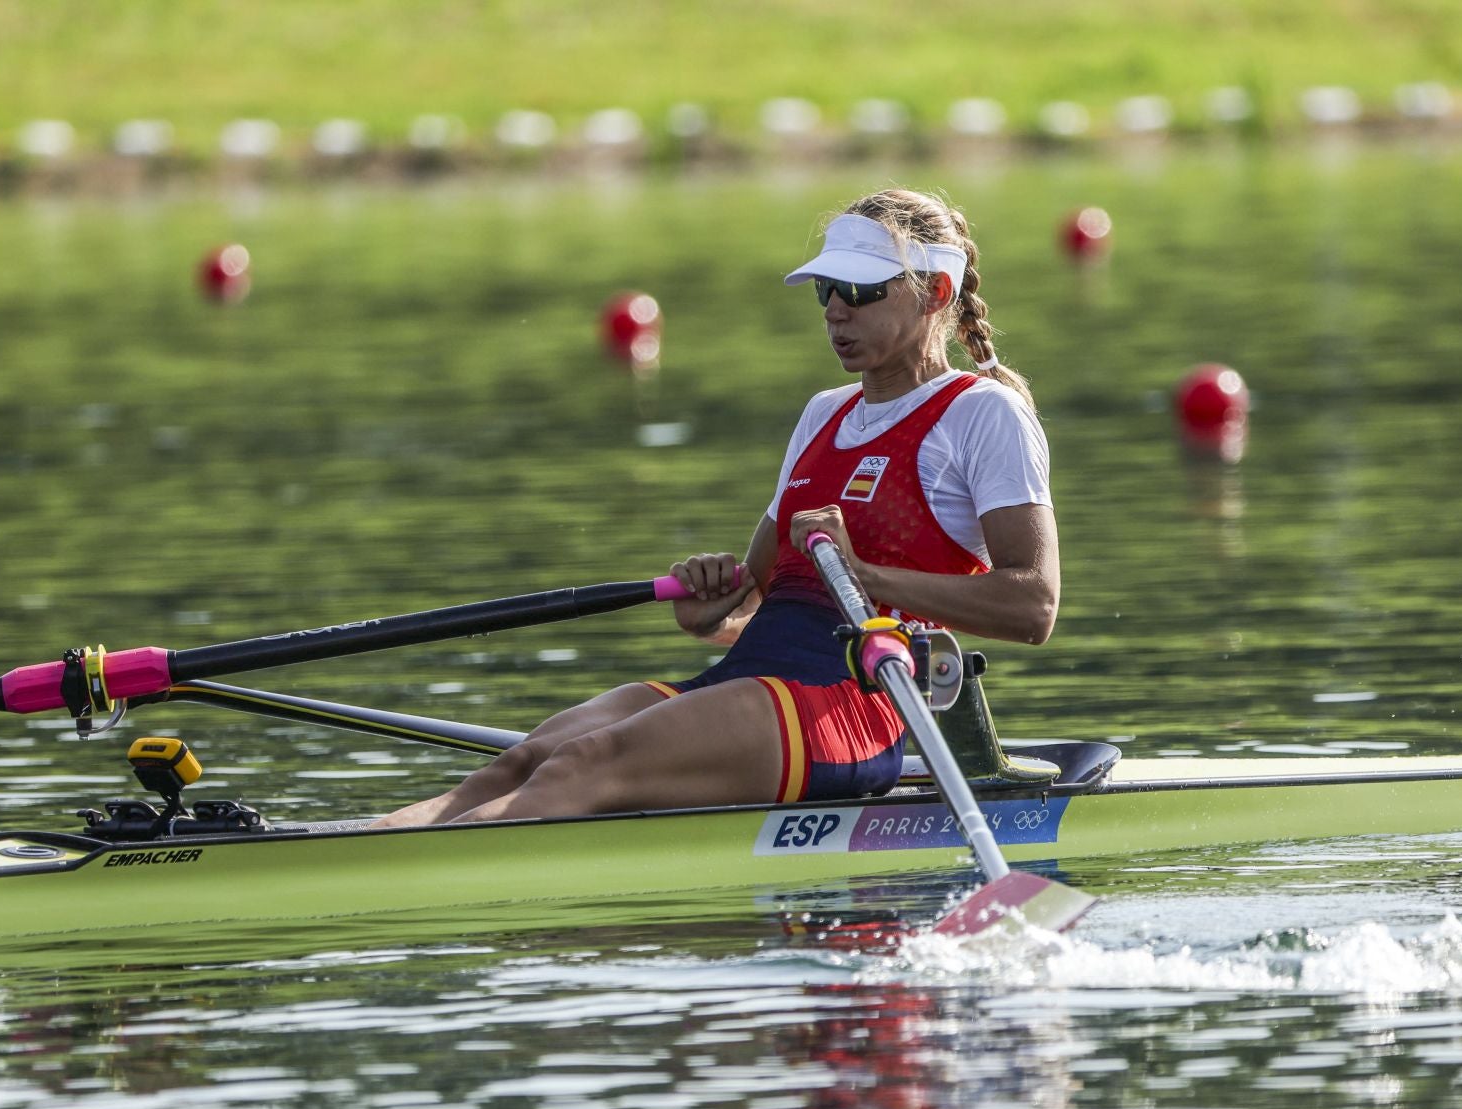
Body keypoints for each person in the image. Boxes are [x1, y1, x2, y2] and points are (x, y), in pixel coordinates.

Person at [373, 188, 1057, 828]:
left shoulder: (981, 415)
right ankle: (355, 854)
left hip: (846, 711)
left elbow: (1033, 607)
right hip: (749, 680)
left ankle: (401, 898)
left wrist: (866, 578)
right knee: (526, 759)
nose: (834, 311)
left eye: (858, 291)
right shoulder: (825, 413)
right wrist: (711, 611)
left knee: (583, 766)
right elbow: (753, 605)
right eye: (826, 289)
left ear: (936, 292)